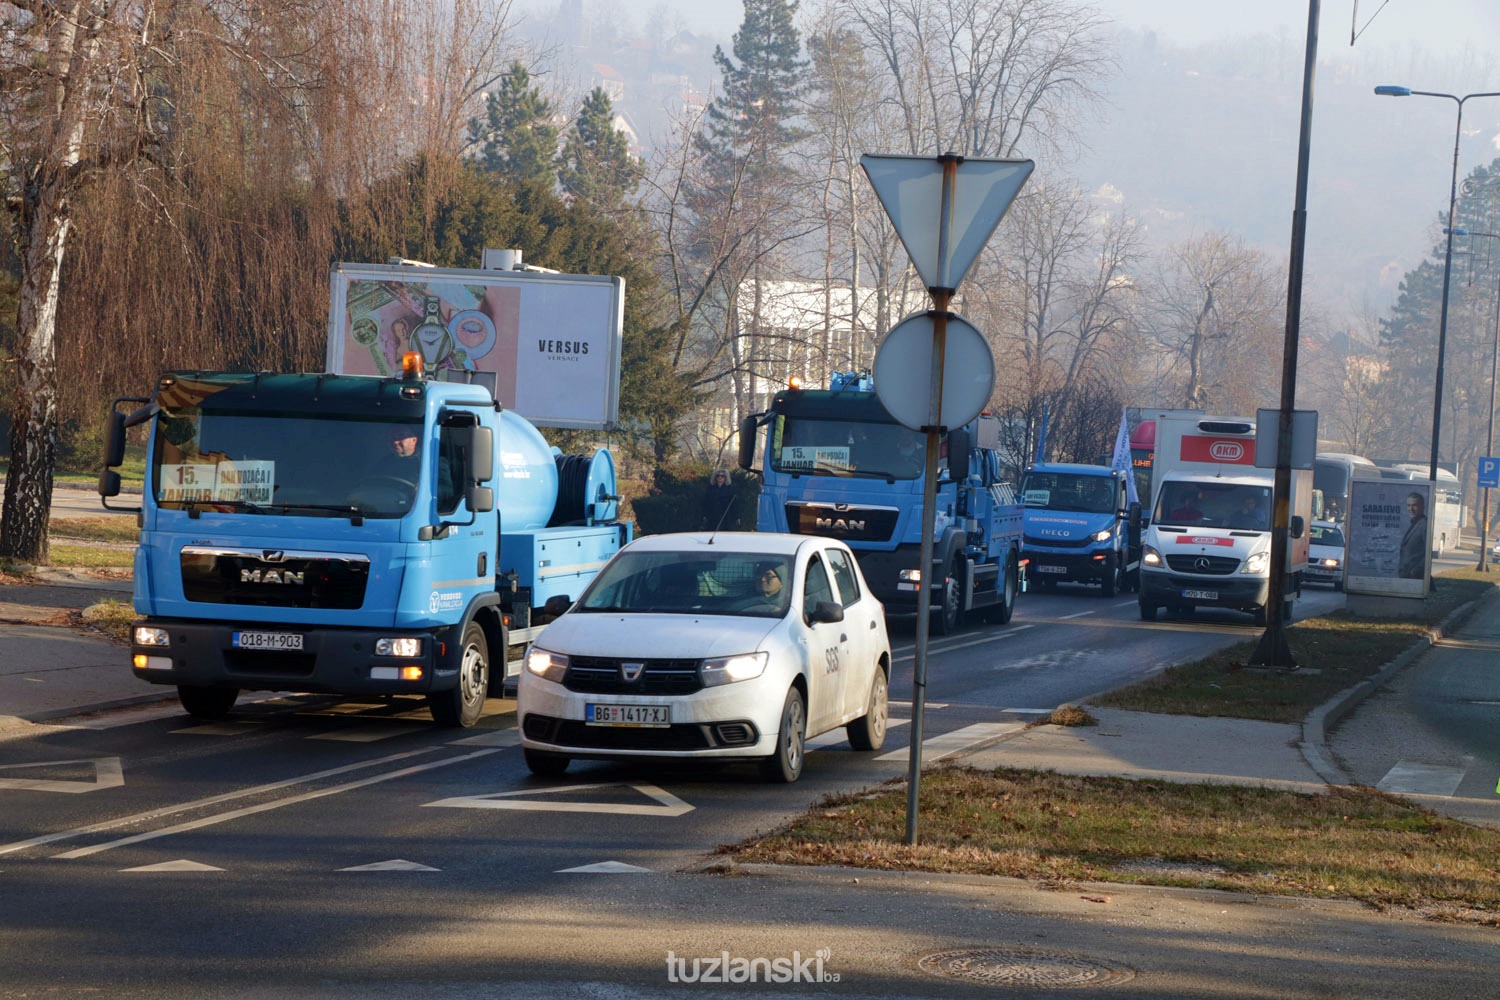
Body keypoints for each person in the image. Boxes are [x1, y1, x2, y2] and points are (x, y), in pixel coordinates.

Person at [1399, 491, 1427, 579]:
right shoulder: (1415, 523)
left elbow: (1428, 553)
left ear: (1422, 507)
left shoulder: (1424, 525)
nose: (1411, 509)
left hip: (1414, 578)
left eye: (1414, 505)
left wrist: (1414, 572)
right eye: (1408, 505)